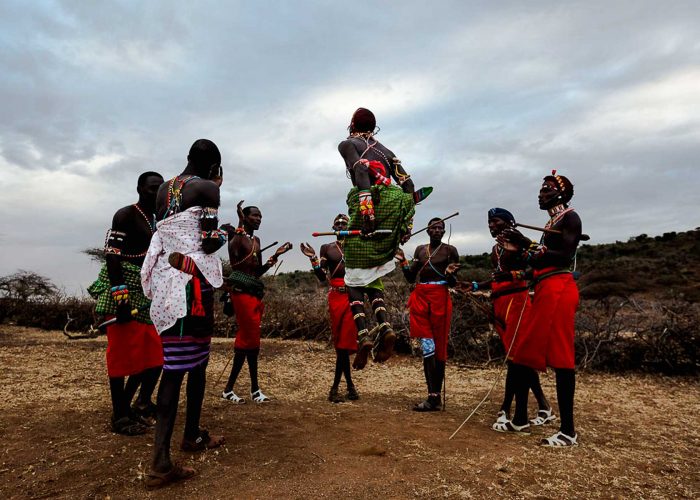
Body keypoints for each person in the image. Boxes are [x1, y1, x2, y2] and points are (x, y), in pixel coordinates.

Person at [141, 139, 227, 488]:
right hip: (191, 285)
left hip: (165, 282)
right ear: (214, 167)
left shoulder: (165, 188)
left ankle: (191, 435)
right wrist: (226, 232)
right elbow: (207, 241)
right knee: (177, 370)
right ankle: (160, 464)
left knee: (194, 362)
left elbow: (172, 230)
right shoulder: (206, 187)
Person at [497, 171, 582, 447]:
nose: (540, 193)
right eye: (541, 189)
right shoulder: (552, 222)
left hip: (559, 288)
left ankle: (568, 431)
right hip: (545, 288)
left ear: (561, 193)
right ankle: (520, 418)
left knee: (561, 356)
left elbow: (565, 255)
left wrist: (528, 243)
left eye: (546, 189)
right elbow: (537, 264)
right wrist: (517, 253)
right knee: (522, 352)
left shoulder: (570, 217)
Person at [338, 107, 423, 369]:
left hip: (372, 206)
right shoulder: (387, 151)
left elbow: (361, 171)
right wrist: (404, 226)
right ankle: (385, 327)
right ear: (374, 128)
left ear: (352, 124)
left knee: (351, 277)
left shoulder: (348, 144)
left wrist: (367, 214)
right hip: (394, 208)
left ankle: (364, 335)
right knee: (370, 272)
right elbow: (409, 187)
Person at [459, 208, 554, 429]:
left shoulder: (520, 243)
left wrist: (515, 274)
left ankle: (510, 410)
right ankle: (543, 406)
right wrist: (473, 286)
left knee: (517, 359)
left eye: (496, 221)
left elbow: (537, 268)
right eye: (489, 222)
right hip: (500, 302)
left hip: (518, 302)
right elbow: (496, 278)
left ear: (509, 223)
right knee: (518, 358)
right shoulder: (495, 249)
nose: (491, 225)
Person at [88, 171, 165, 435]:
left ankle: (130, 406)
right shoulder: (125, 215)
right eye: (152, 188)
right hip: (123, 288)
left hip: (146, 293)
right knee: (122, 355)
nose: (156, 193)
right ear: (140, 189)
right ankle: (119, 416)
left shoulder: (158, 220)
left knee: (153, 357)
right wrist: (121, 299)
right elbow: (112, 257)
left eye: (160, 188)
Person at [221, 202, 292, 404]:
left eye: (261, 216)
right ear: (244, 217)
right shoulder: (236, 238)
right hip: (241, 293)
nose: (259, 219)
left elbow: (257, 272)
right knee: (248, 341)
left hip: (253, 293)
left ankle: (250, 389)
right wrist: (238, 225)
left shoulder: (257, 240)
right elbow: (236, 267)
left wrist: (276, 256)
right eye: (255, 216)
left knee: (252, 342)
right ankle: (237, 389)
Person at [395, 217, 459, 411]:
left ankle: (435, 397)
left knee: (439, 348)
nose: (438, 230)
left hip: (440, 299)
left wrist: (449, 274)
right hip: (421, 299)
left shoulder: (451, 251)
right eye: (434, 228)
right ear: (428, 231)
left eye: (441, 228)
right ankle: (432, 396)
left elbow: (454, 283)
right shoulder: (420, 250)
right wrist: (403, 261)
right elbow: (409, 277)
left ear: (444, 231)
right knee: (427, 347)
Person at [300, 214, 359, 403]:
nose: (341, 225)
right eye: (338, 223)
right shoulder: (328, 248)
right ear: (333, 227)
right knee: (339, 343)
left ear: (350, 226)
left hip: (353, 296)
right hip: (335, 297)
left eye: (344, 223)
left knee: (345, 343)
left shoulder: (357, 246)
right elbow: (320, 276)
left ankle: (337, 388)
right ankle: (348, 387)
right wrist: (313, 259)